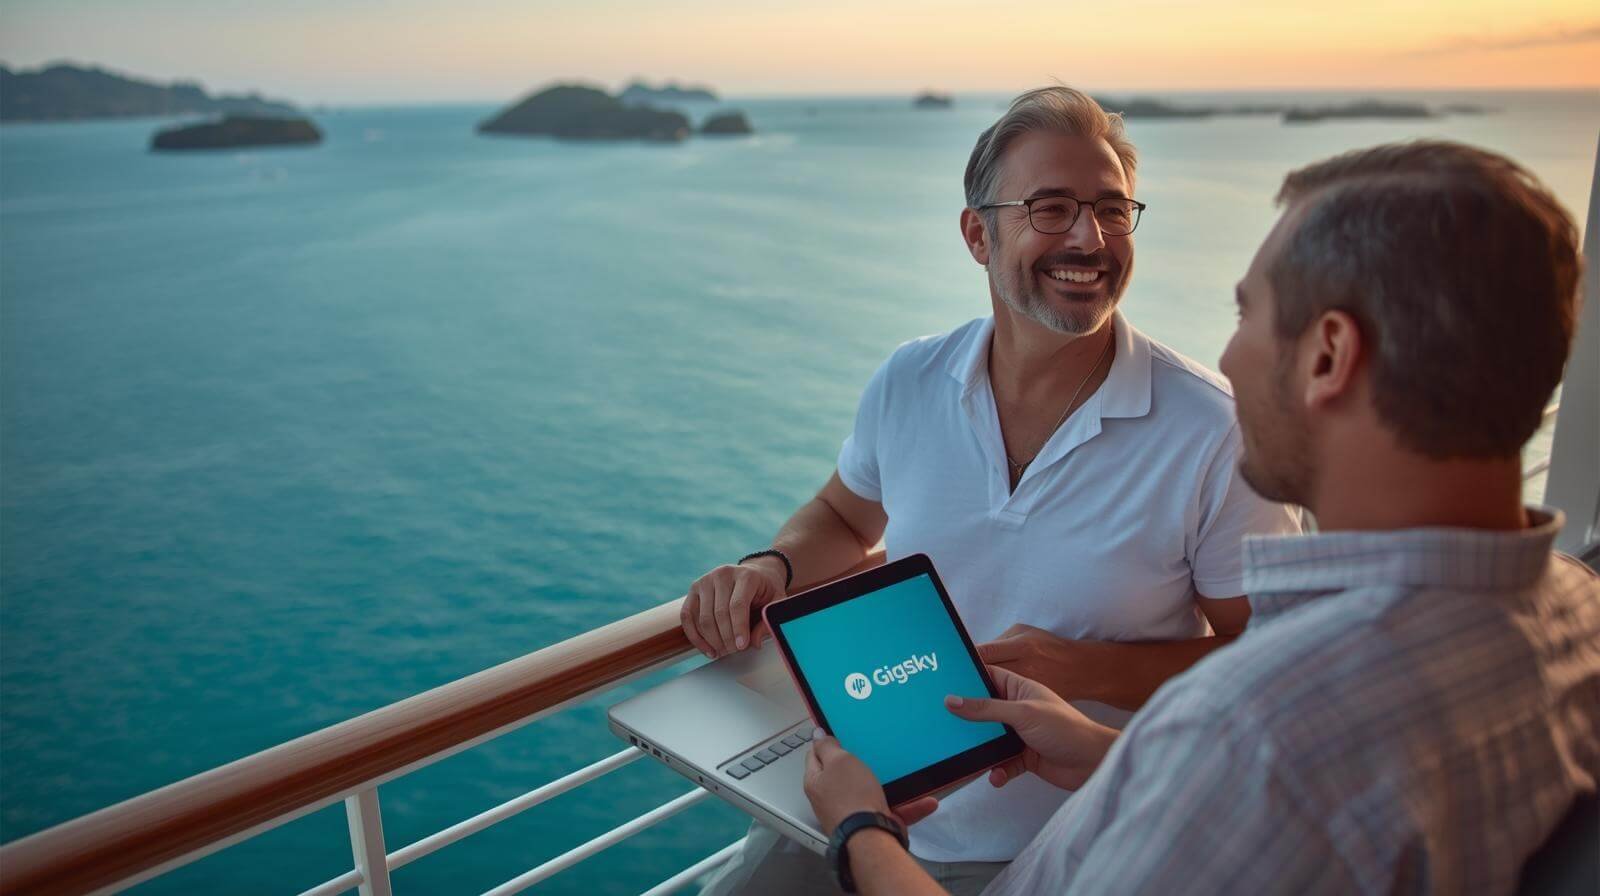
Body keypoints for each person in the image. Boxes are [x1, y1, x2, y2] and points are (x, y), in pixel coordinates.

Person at [802, 139, 1600, 895]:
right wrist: (1116, 758)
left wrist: (862, 829)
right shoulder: (1576, 610)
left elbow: (1253, 770)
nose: (1225, 359)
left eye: (1248, 315)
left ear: (1327, 356)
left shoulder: (1252, 732)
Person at [689, 86, 1300, 896]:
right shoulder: (911, 377)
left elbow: (1267, 663)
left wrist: (1079, 666)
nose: (1090, 237)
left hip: (1067, 846)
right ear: (979, 234)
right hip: (870, 797)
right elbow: (843, 513)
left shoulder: (1215, 432)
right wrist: (774, 566)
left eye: (1113, 210)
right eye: (1050, 208)